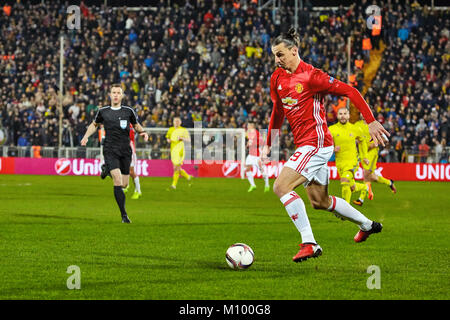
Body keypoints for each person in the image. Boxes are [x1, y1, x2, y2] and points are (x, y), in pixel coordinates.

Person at [261, 28, 390, 263]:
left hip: (316, 144)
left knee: (281, 187)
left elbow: (350, 91)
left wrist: (370, 121)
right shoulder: (277, 78)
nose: (277, 60)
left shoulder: (312, 76)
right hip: (308, 144)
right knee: (320, 201)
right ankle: (367, 224)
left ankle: (309, 242)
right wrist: (269, 143)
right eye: (274, 55)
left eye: (280, 54)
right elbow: (278, 111)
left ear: (294, 51)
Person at [80, 84, 149, 223]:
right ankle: (124, 215)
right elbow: (94, 125)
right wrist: (86, 136)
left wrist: (143, 132)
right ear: (110, 95)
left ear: (122, 95)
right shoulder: (103, 111)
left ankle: (106, 170)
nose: (116, 95)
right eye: (114, 92)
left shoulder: (128, 111)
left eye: (118, 93)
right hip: (110, 149)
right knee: (117, 180)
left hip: (125, 150)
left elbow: (136, 125)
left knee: (124, 184)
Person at [328, 108, 369, 205]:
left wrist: (364, 156)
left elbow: (362, 141)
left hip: (352, 162)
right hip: (339, 163)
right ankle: (364, 187)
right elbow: (325, 144)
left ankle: (344, 210)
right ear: (337, 116)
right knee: (351, 187)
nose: (342, 116)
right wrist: (333, 149)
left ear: (349, 116)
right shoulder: (331, 129)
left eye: (345, 113)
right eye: (340, 114)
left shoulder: (355, 128)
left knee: (345, 181)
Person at [353, 116, 397, 205]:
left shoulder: (374, 124)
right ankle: (389, 182)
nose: (362, 114)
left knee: (366, 174)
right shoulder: (357, 125)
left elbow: (386, 139)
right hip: (363, 154)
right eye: (361, 112)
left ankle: (361, 199)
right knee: (371, 176)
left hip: (372, 154)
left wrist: (374, 145)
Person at [166, 117, 193, 190]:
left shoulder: (183, 130)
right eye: (175, 121)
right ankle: (188, 177)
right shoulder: (171, 129)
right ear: (173, 122)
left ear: (180, 122)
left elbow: (189, 139)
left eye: (178, 121)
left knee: (176, 168)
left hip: (180, 151)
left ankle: (173, 185)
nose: (177, 122)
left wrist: (182, 138)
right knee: (176, 168)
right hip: (173, 151)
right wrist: (169, 140)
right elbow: (168, 138)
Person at [245, 122, 270, 193]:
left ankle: (267, 185)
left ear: (252, 126)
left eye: (248, 125)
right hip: (251, 154)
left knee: (262, 170)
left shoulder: (257, 133)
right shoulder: (250, 133)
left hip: (257, 155)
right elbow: (250, 142)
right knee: (247, 168)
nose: (247, 127)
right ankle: (253, 185)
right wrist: (248, 144)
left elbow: (262, 143)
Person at [123, 124, 142, 199]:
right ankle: (125, 186)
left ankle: (138, 191)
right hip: (123, 149)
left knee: (131, 171)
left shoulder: (129, 125)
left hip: (129, 150)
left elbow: (130, 137)